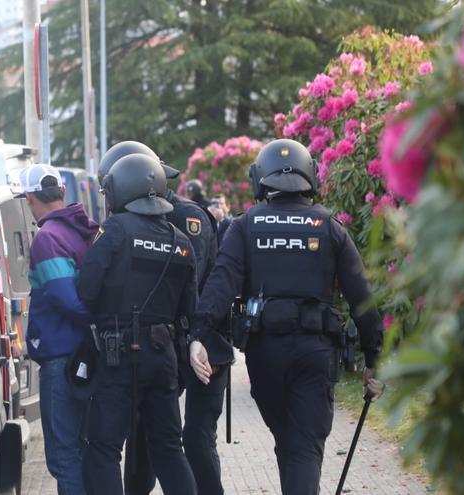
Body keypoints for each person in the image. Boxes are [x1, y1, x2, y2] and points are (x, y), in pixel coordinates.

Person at [189, 139, 385, 495]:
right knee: (302, 448)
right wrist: (375, 358)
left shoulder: (246, 226)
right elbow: (363, 299)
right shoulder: (329, 227)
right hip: (315, 355)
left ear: (260, 178)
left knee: (292, 444)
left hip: (266, 358)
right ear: (309, 176)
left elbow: (220, 284)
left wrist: (198, 335)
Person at [97, 141, 225, 495]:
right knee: (152, 443)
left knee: (178, 442)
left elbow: (188, 289)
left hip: (177, 345)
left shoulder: (184, 220)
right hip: (165, 346)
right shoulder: (151, 225)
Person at [78, 153, 197, 495]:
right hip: (164, 356)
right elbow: (190, 307)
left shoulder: (114, 229)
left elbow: (87, 290)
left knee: (103, 449)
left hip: (120, 355)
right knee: (169, 449)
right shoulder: (182, 241)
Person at [18, 163, 98, 495]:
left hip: (61, 360)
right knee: (84, 450)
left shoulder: (48, 238)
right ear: (62, 192)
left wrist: (92, 321)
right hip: (87, 357)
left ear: (28, 198)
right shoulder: (85, 231)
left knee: (64, 457)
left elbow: (68, 300)